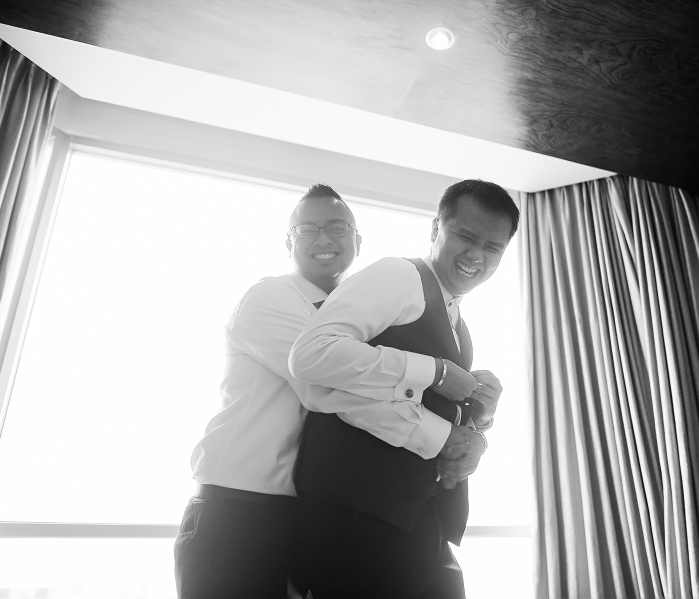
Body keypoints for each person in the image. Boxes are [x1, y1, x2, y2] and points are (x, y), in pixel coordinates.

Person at [174, 183, 482, 598]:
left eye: (337, 228)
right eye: (308, 230)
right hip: (235, 511)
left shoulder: (360, 318)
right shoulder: (270, 298)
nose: (323, 240)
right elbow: (325, 390)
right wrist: (443, 435)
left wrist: (474, 417)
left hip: (302, 514)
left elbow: (391, 391)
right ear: (288, 243)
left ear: (358, 242)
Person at [289, 179, 520, 599]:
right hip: (360, 518)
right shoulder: (399, 276)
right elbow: (312, 356)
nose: (476, 256)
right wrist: (436, 372)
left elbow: (416, 402)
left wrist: (480, 423)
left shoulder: (460, 324)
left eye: (493, 247)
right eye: (465, 237)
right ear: (435, 229)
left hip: (422, 520)